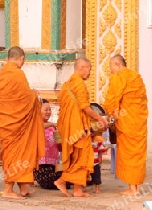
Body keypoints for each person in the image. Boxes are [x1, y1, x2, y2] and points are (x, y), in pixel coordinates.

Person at [0, 46, 45, 199]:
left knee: (20, 153)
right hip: (17, 123)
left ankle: (23, 186)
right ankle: (8, 189)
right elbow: (24, 99)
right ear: (21, 58)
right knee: (17, 153)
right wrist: (34, 95)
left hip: (5, 121)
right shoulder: (18, 74)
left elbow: (8, 98)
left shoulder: (0, 74)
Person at [53, 58, 108, 197]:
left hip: (68, 125)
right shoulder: (79, 84)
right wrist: (99, 118)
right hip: (77, 126)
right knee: (83, 154)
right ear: (82, 68)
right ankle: (62, 181)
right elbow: (85, 107)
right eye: (88, 69)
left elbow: (62, 101)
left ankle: (77, 189)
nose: (89, 72)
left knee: (76, 156)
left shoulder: (67, 84)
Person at [102, 54, 148, 196]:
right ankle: (136, 187)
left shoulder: (119, 77)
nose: (111, 70)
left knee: (129, 154)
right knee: (137, 154)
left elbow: (111, 100)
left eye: (110, 67)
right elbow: (140, 101)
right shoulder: (136, 77)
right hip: (138, 122)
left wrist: (110, 116)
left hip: (127, 123)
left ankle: (132, 189)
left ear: (117, 64)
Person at [33, 99, 61, 190]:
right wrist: (51, 124)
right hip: (41, 165)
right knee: (50, 184)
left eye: (50, 109)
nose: (48, 112)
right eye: (46, 110)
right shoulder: (34, 124)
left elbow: (60, 148)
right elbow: (39, 127)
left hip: (53, 165)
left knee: (68, 180)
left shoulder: (53, 128)